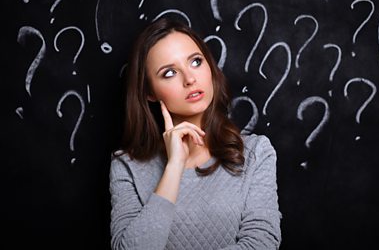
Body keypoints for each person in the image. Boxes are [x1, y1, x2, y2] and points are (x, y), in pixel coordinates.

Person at [109, 17, 282, 249]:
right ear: (149, 92)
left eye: (196, 62)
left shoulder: (255, 153)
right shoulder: (127, 165)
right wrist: (174, 167)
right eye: (169, 73)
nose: (190, 79)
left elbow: (261, 243)